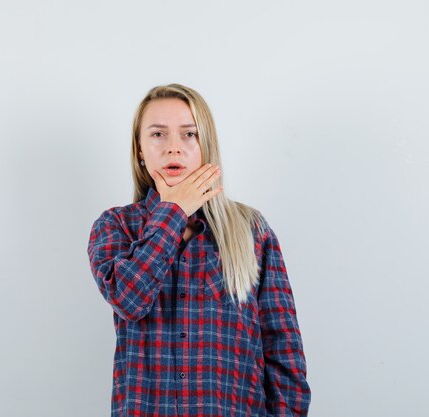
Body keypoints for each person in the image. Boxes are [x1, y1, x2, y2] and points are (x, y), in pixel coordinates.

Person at [87, 83, 311, 416]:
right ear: (139, 150)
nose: (174, 148)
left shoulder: (252, 231)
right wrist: (173, 211)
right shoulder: (115, 226)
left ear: (206, 145)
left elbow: (284, 353)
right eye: (158, 135)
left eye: (189, 134)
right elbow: (128, 298)